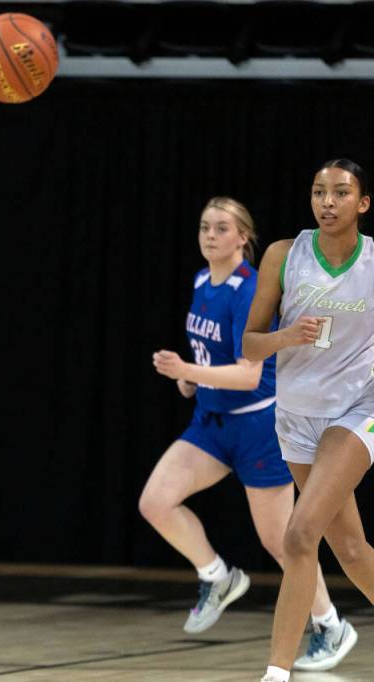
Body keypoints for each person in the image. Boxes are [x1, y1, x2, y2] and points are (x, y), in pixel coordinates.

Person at [141, 197, 352, 669]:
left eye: (221, 228)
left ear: (243, 237)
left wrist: (190, 367)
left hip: (258, 426)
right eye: (204, 227)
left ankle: (332, 626)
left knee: (282, 542)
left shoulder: (249, 289)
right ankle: (216, 575)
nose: (210, 235)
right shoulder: (201, 282)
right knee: (155, 501)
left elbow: (249, 375)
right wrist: (192, 377)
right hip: (212, 424)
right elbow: (214, 363)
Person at [243, 160, 374, 682]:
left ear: (362, 203)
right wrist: (286, 336)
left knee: (298, 537)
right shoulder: (282, 255)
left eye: (341, 193)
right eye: (320, 191)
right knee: (351, 549)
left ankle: (275, 675)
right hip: (296, 417)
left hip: (357, 411)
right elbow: (250, 344)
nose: (328, 201)